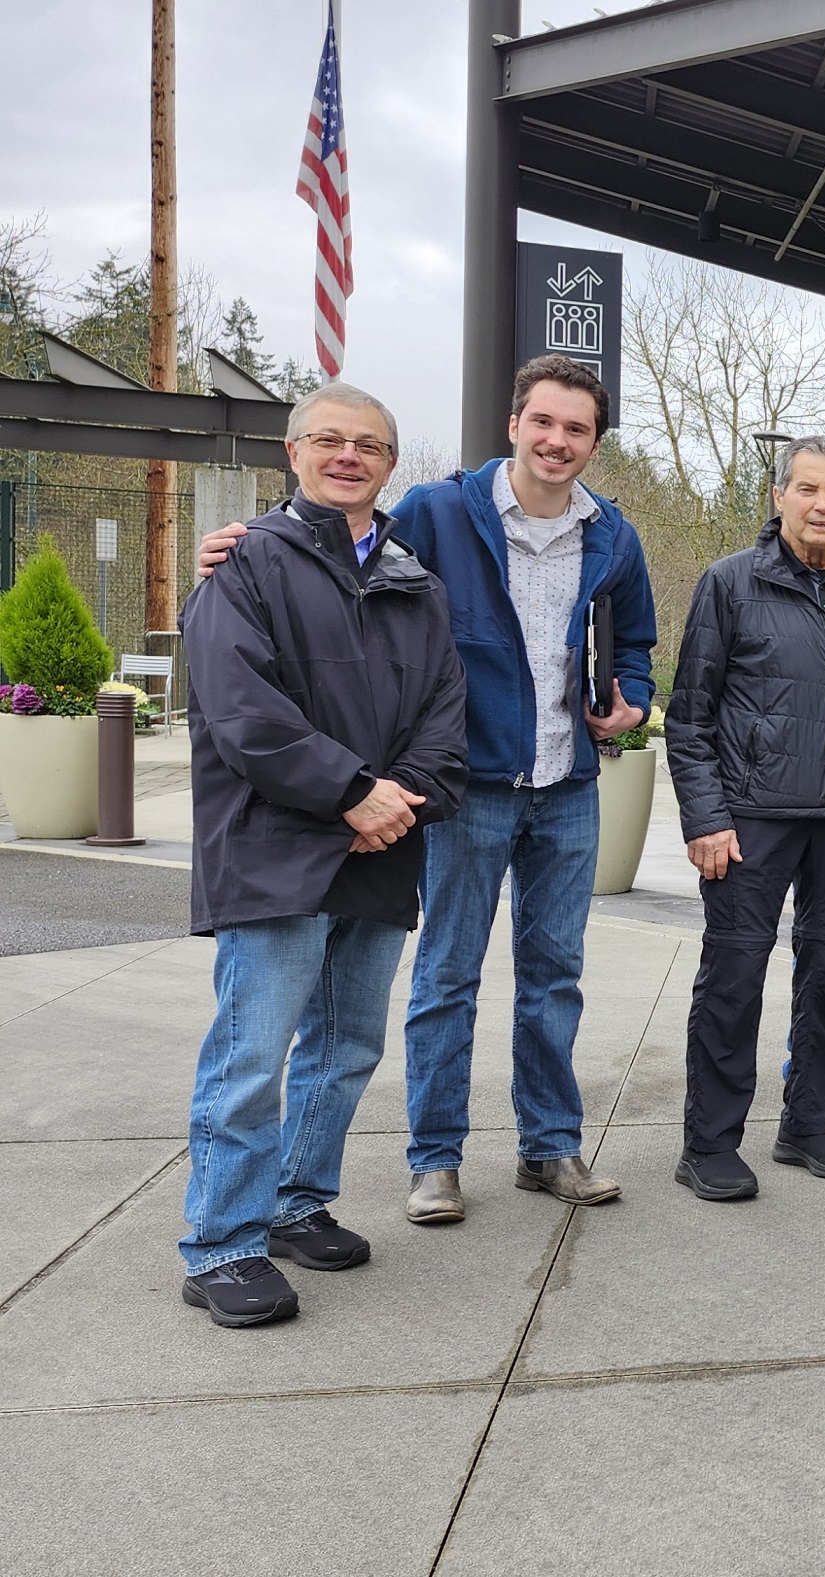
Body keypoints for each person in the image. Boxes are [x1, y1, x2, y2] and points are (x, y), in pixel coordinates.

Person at [196, 354, 657, 1224]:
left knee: (555, 976)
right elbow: (344, 561)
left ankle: (549, 1144)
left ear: (594, 442)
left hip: (567, 786)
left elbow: (634, 636)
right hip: (467, 786)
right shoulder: (442, 512)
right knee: (447, 974)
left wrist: (630, 693)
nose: (558, 441)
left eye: (578, 429)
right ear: (514, 424)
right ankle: (435, 1158)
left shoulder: (614, 534)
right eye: (544, 422)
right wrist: (239, 545)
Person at [176, 384, 467, 1326]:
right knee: (252, 1055)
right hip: (276, 851)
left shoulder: (417, 583)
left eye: (371, 445)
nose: (351, 456)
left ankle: (297, 1202)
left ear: (391, 465)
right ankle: (222, 1244)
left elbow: (444, 717)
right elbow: (241, 711)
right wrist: (353, 793)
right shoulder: (246, 566)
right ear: (292, 452)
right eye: (330, 441)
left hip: (379, 851)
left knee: (345, 1048)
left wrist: (390, 803)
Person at [667, 437, 825, 1201]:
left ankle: (809, 1119)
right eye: (807, 489)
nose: (822, 505)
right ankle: (708, 1142)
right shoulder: (730, 584)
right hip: (751, 820)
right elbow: (689, 718)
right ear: (778, 497)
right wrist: (705, 818)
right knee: (734, 979)